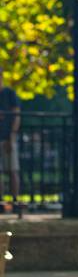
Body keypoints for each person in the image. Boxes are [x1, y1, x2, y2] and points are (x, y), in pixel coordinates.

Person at [0, 69, 21, 213]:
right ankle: (1, 202)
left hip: (8, 137)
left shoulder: (9, 93)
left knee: (12, 170)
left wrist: (12, 136)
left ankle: (15, 201)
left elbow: (17, 116)